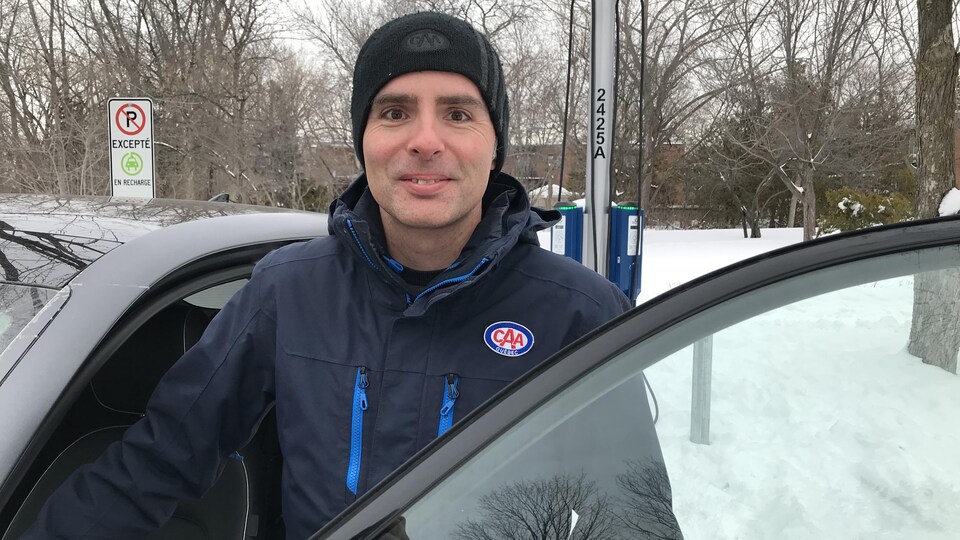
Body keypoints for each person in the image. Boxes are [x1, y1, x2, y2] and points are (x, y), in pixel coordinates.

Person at [23, 11, 632, 539]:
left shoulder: (579, 312)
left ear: (493, 143)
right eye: (394, 112)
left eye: (458, 113)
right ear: (363, 139)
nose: (425, 141)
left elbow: (628, 514)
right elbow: (159, 460)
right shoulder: (286, 290)